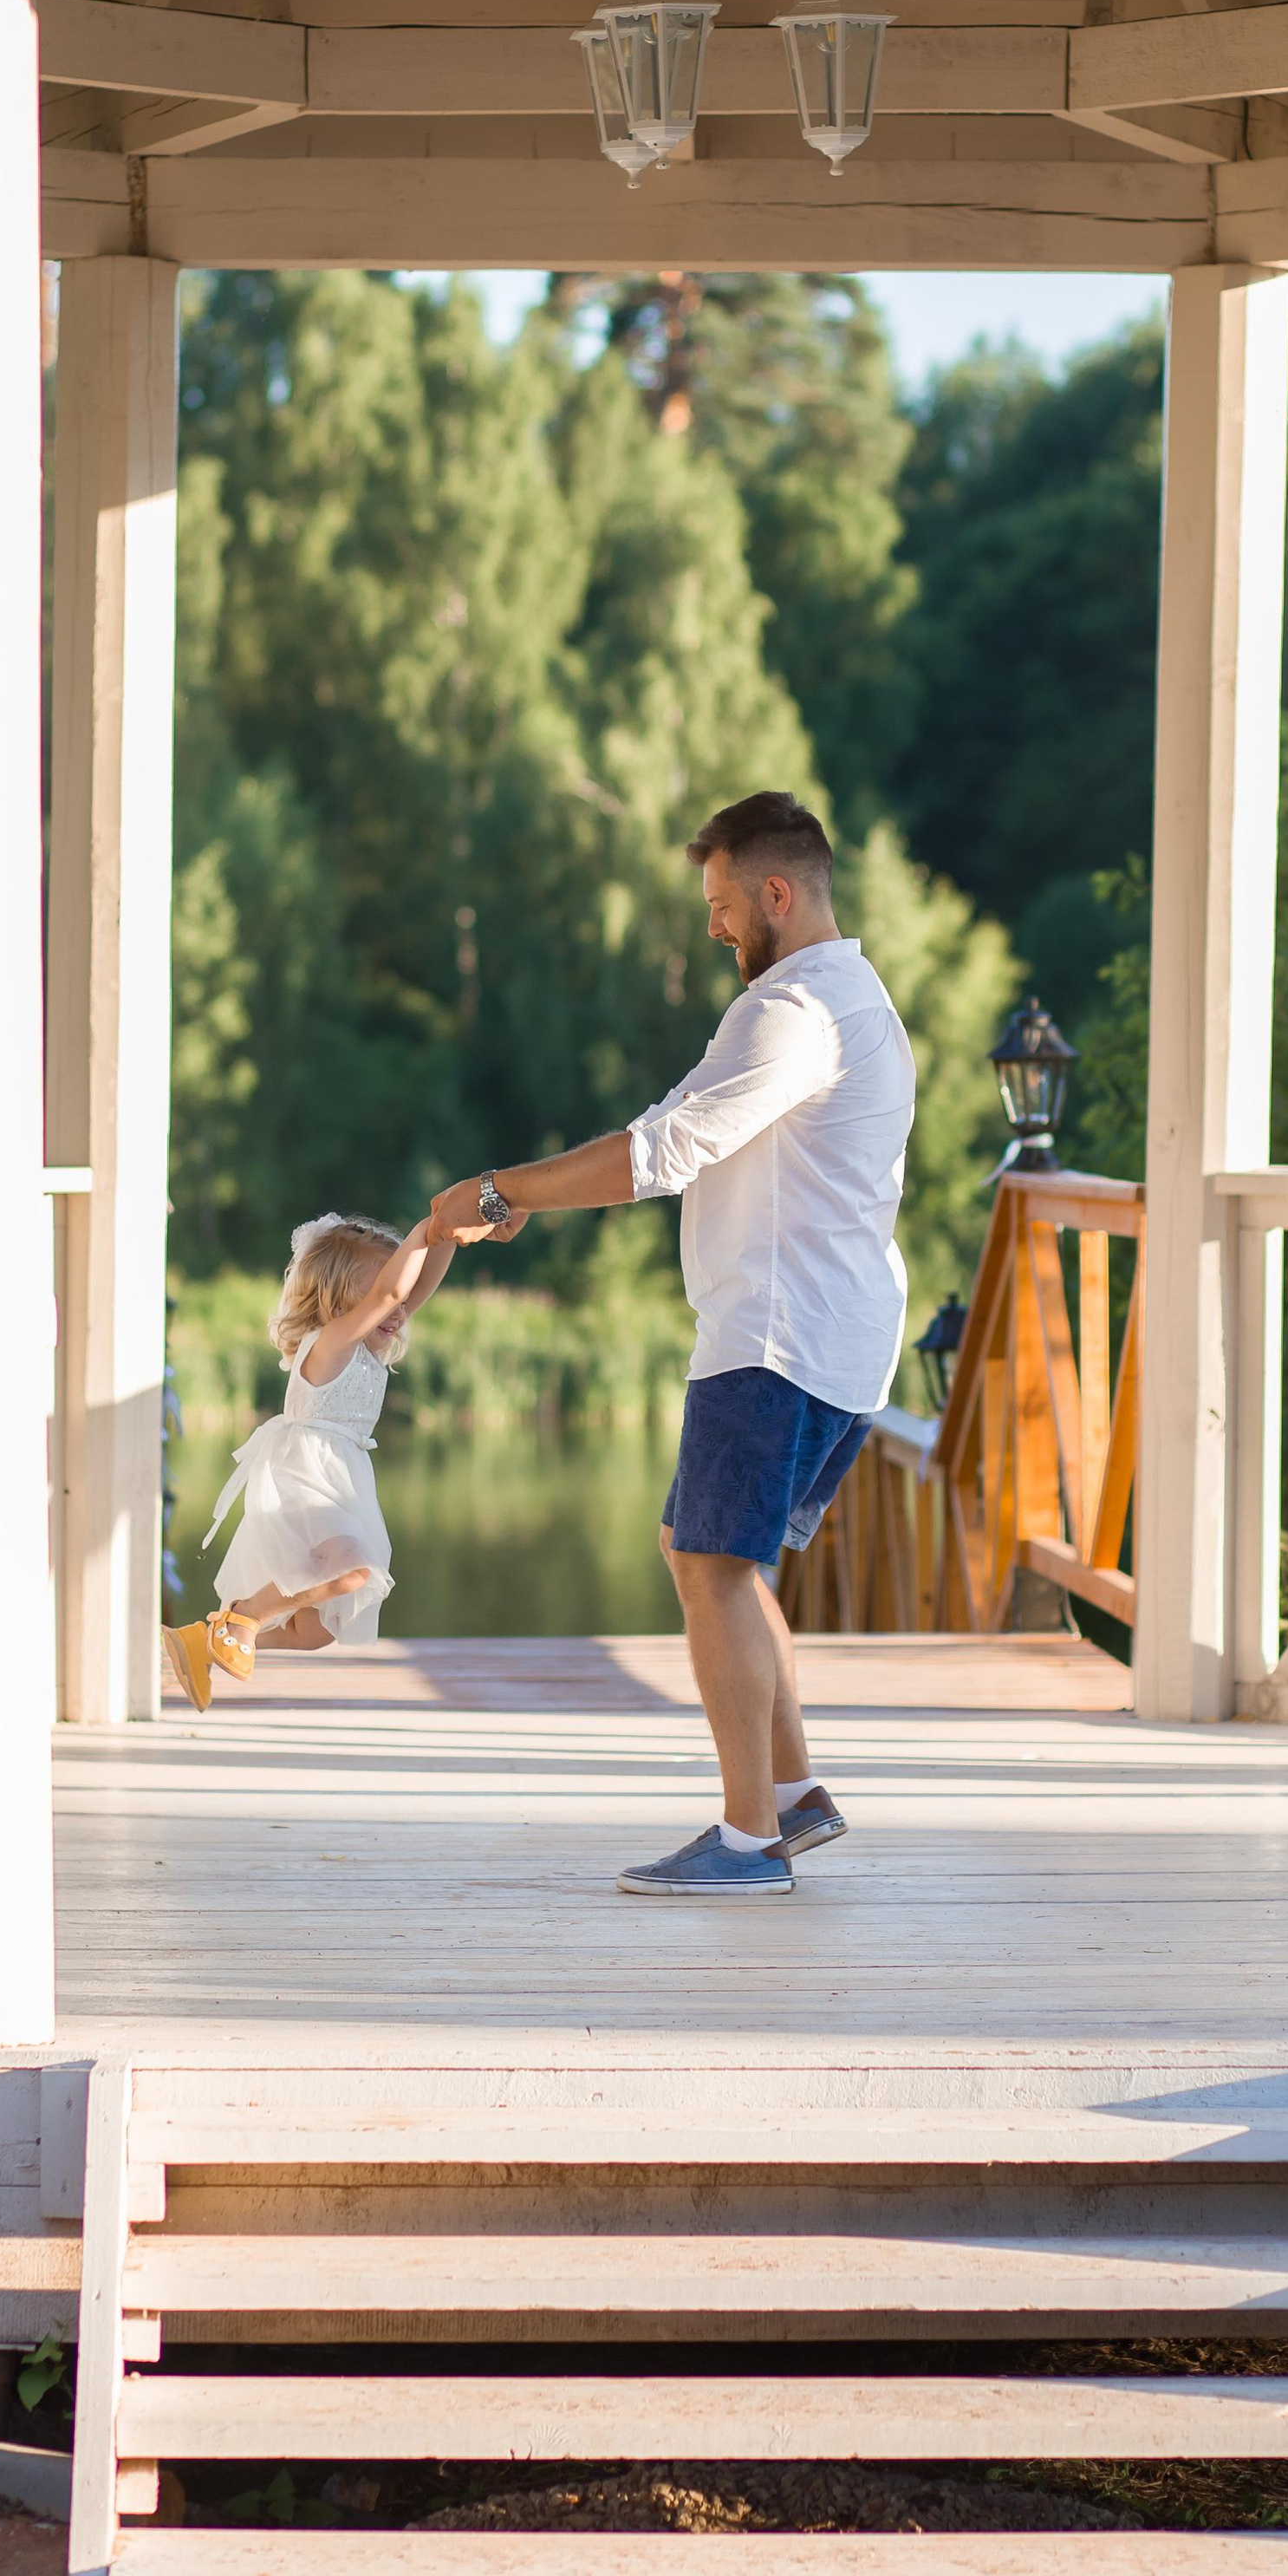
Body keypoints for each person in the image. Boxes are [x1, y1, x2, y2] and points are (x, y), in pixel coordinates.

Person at [430, 788, 915, 1895]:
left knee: (712, 1563)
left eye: (724, 902)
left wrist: (501, 1193)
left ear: (777, 894)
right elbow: (678, 1126)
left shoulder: (790, 1012)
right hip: (827, 1334)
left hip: (777, 1334)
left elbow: (660, 1153)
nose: (713, 927)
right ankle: (791, 1795)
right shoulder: (856, 1000)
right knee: (709, 1556)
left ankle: (749, 1842)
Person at [163, 1211, 455, 1711]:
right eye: (381, 1298)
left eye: (400, 1302)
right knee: (352, 1569)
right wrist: (424, 1232)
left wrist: (449, 1230)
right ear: (339, 1301)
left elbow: (412, 1288)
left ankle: (205, 1640)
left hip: (341, 1477)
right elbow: (389, 1294)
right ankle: (244, 1617)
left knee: (316, 1633)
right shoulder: (332, 1342)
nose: (398, 1310)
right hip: (305, 1470)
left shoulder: (370, 1346)